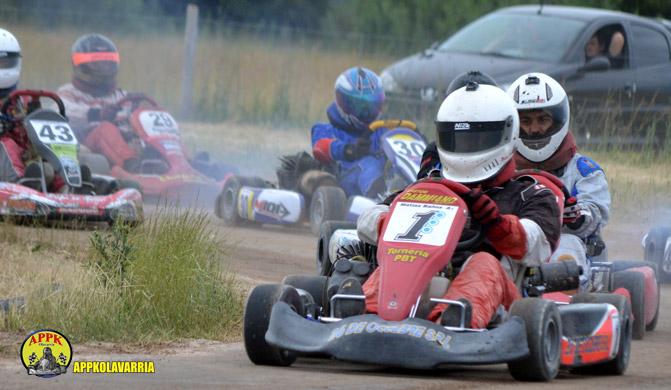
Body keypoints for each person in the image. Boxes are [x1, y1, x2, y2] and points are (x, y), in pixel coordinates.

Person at [354, 82, 561, 328]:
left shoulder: (529, 193)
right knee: (396, 260)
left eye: (478, 139)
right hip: (422, 280)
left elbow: (539, 244)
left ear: (506, 135)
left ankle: (453, 321)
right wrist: (389, 224)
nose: (466, 148)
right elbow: (368, 217)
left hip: (500, 298)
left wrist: (498, 224)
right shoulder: (431, 188)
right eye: (458, 139)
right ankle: (366, 315)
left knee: (483, 262)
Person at [507, 72, 610, 262]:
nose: (535, 129)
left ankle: (562, 289)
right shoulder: (503, 169)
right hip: (517, 245)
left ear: (558, 120)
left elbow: (597, 213)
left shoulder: (583, 170)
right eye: (526, 121)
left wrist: (577, 215)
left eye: (543, 119)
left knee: (567, 246)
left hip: (568, 245)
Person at [56, 33, 140, 172]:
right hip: (88, 147)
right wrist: (97, 114)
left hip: (125, 144)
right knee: (105, 129)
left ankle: (183, 166)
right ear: (81, 66)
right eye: (97, 63)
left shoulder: (122, 96)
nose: (103, 68)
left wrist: (141, 111)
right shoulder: (68, 92)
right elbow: (62, 112)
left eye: (107, 62)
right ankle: (132, 167)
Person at [311, 67, 388, 198]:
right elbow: (320, 147)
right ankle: (380, 199)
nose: (367, 113)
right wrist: (350, 150)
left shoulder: (382, 130)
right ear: (342, 103)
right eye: (360, 107)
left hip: (386, 182)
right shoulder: (325, 130)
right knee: (368, 164)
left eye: (371, 106)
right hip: (344, 185)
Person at [416, 70, 499, 179]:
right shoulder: (436, 151)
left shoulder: (504, 151)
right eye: (462, 108)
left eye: (475, 108)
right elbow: (423, 189)